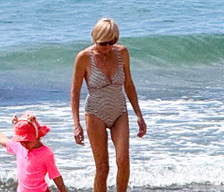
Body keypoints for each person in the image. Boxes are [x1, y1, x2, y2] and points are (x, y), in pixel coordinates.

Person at [70, 18, 147, 192]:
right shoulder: (84, 57)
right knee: (102, 167)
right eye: (103, 43)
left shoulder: (122, 53)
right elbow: (75, 92)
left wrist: (139, 115)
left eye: (112, 42)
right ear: (94, 37)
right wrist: (76, 125)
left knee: (123, 161)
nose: (107, 47)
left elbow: (128, 84)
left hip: (119, 111)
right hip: (95, 113)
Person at [2, 114, 69, 192]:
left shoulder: (46, 153)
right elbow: (4, 140)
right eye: (21, 141)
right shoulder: (19, 146)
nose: (24, 144)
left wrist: (63, 190)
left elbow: (55, 175)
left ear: (37, 137)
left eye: (27, 141)